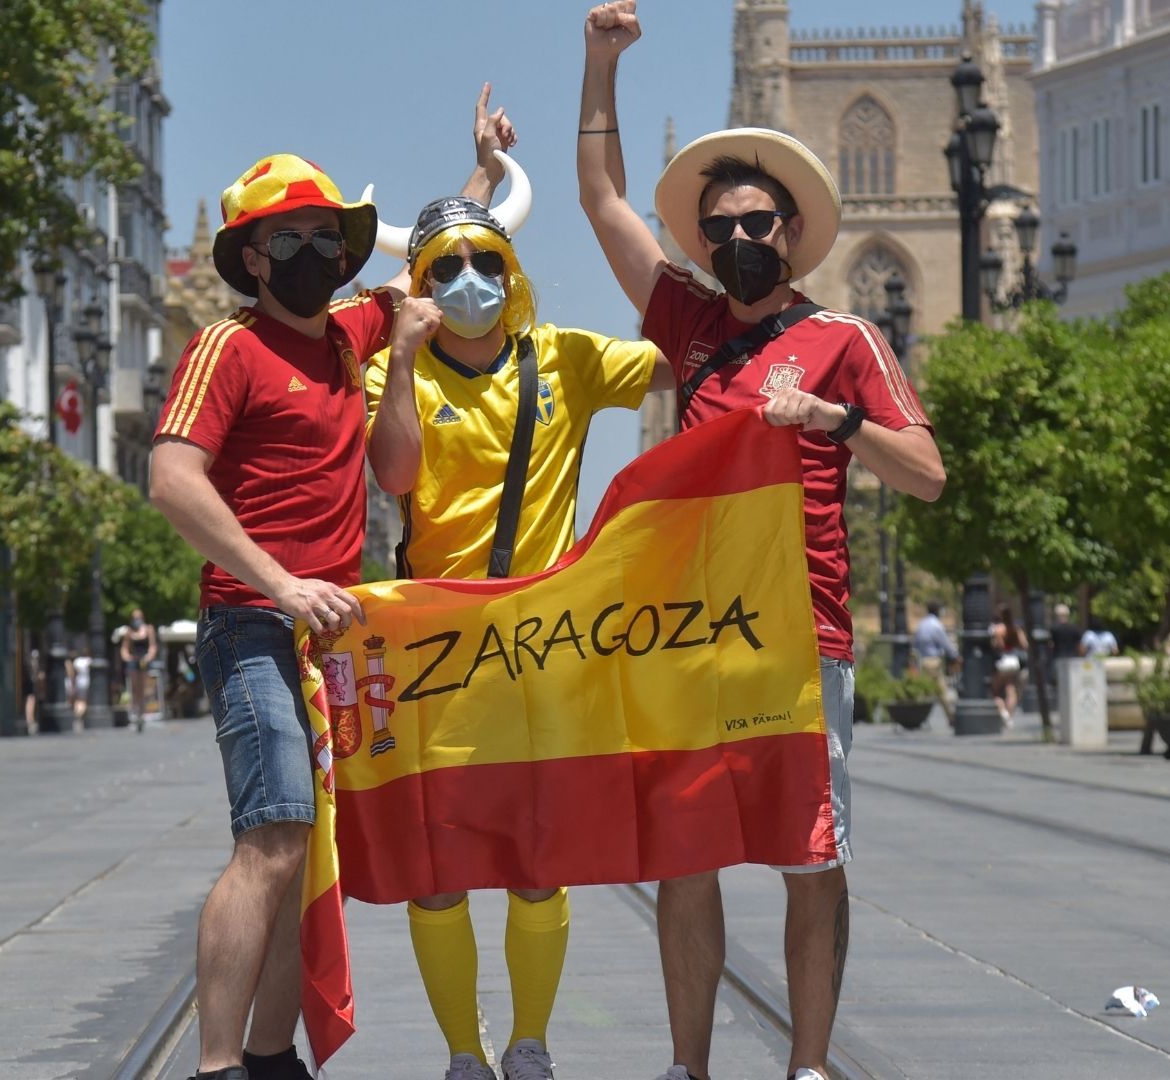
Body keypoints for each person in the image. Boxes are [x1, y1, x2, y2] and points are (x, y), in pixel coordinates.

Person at [577, 6, 946, 1078]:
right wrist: (600, 65)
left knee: (810, 860)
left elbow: (925, 475)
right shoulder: (688, 327)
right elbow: (602, 199)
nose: (741, 240)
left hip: (804, 640)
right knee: (686, 863)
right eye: (722, 226)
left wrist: (832, 422)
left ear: (791, 235)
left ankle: (810, 1068)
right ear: (704, 242)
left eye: (760, 224)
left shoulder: (845, 339)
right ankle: (689, 1069)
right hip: (689, 642)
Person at [149, 93, 516, 1080]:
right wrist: (280, 581)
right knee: (270, 837)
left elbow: (419, 273)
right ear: (254, 257)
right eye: (289, 238)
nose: (313, 250)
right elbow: (171, 478)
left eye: (325, 234)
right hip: (253, 626)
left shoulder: (350, 338)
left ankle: (273, 1057)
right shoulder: (227, 348)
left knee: (300, 853)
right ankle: (222, 1064)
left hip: (326, 642)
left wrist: (479, 170)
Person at [365, 190, 670, 1080]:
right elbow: (394, 472)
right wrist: (403, 348)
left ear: (515, 273)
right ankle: (465, 1054)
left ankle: (531, 1045)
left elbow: (679, 361)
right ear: (419, 286)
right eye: (446, 270)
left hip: (542, 645)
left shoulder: (564, 358)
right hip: (433, 650)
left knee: (540, 859)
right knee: (438, 866)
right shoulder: (397, 371)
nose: (470, 281)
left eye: (487, 263)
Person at [912, 601, 960, 722]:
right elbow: (946, 644)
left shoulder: (921, 624)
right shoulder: (936, 625)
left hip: (923, 662)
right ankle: (951, 718)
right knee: (942, 691)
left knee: (923, 691)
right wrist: (955, 656)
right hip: (934, 662)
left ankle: (918, 717)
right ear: (938, 610)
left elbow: (915, 645)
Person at [989, 605, 1028, 725]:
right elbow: (1025, 645)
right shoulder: (1016, 628)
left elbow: (998, 646)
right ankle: (1009, 718)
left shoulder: (998, 629)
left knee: (994, 691)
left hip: (1003, 661)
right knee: (1011, 690)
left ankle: (1003, 712)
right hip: (1014, 661)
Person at [119, 607, 159, 724]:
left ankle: (141, 711)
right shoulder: (129, 631)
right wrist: (127, 657)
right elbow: (124, 648)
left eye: (138, 618)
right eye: (134, 618)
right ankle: (136, 711)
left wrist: (149, 656)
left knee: (143, 687)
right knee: (134, 686)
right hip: (134, 659)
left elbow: (152, 646)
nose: (136, 620)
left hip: (144, 659)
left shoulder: (148, 629)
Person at [1045, 603, 1082, 688]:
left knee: (1059, 684)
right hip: (1073, 659)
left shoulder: (1053, 628)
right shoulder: (1075, 628)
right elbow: (1079, 645)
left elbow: (1051, 644)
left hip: (1058, 658)